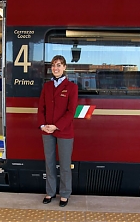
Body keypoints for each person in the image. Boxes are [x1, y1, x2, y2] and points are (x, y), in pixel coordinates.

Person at [37, 55, 78, 207]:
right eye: (54, 65)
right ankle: (50, 192)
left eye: (59, 65)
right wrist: (42, 125)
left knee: (65, 164)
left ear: (65, 67)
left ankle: (65, 193)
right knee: (49, 163)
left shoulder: (72, 88)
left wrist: (56, 126)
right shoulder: (47, 87)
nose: (56, 68)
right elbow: (41, 108)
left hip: (64, 131)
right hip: (47, 130)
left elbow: (70, 111)